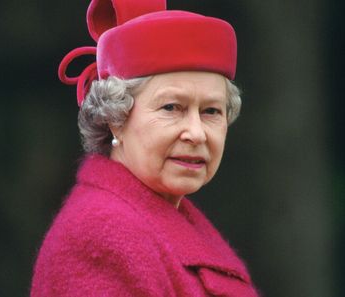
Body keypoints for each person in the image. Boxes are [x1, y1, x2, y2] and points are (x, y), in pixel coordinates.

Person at [31, 0, 259, 296]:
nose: (196, 133)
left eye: (211, 111)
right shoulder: (101, 235)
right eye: (171, 107)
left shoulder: (160, 222)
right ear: (116, 119)